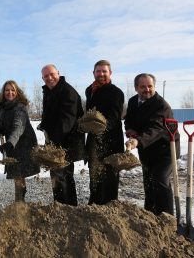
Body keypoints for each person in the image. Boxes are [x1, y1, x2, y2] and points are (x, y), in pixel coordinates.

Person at [124, 73, 179, 215]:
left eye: (150, 86)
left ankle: (166, 217)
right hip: (147, 149)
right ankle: (150, 215)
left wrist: (138, 140)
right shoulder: (132, 102)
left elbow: (155, 128)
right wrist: (130, 130)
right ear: (136, 88)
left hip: (166, 149)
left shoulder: (161, 105)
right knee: (148, 182)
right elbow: (128, 119)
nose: (147, 89)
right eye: (143, 87)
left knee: (160, 180)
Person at [38, 64, 85, 206]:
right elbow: (50, 114)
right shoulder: (49, 91)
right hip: (55, 141)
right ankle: (59, 205)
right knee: (56, 175)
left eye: (52, 74)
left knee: (64, 176)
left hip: (66, 143)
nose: (49, 78)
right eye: (46, 76)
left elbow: (67, 121)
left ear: (58, 73)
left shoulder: (67, 92)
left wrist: (53, 145)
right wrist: (43, 124)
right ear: (42, 78)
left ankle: (69, 208)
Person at [85, 59, 124, 205]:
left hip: (111, 142)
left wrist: (101, 128)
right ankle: (94, 206)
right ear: (93, 73)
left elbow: (114, 117)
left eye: (104, 71)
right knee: (94, 175)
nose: (101, 74)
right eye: (98, 71)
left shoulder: (116, 93)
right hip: (94, 141)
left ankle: (109, 209)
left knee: (109, 178)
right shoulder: (90, 90)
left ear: (110, 73)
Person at [0, 80, 40, 202]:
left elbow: (18, 127)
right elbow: (2, 123)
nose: (10, 92)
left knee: (19, 173)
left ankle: (19, 203)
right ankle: (19, 201)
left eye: (12, 90)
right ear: (3, 92)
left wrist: (9, 143)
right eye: (7, 90)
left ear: (17, 92)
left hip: (24, 143)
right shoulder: (3, 107)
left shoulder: (20, 107)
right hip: (12, 143)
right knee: (16, 174)